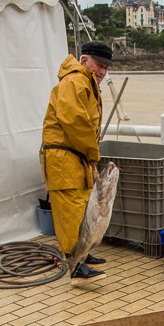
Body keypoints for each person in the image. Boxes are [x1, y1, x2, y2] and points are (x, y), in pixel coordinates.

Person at [41, 40, 113, 282]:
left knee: (83, 208)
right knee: (71, 212)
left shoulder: (85, 82)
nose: (102, 72)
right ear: (84, 60)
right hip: (65, 158)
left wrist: (89, 155)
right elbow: (76, 123)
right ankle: (76, 265)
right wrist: (93, 153)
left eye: (106, 67)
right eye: (99, 65)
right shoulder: (75, 81)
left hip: (76, 156)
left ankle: (83, 255)